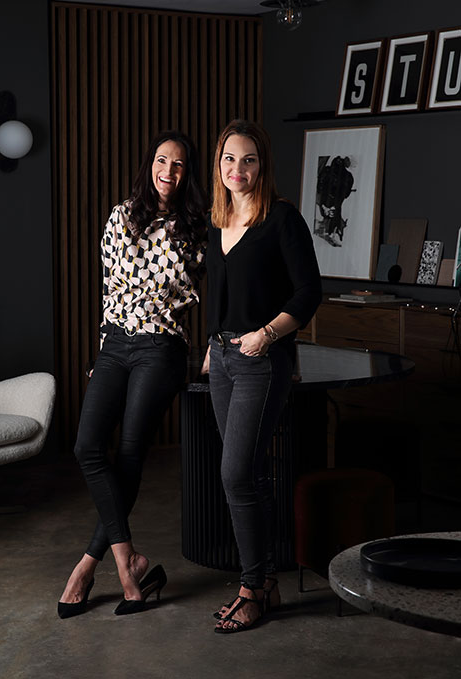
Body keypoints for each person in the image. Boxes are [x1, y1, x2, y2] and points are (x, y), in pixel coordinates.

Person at [58, 130, 207, 618]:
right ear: (150, 164)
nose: (168, 171)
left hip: (162, 344)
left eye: (179, 164)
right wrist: (104, 347)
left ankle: (88, 567)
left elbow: (222, 287)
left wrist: (216, 342)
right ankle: (128, 562)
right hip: (117, 343)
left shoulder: (197, 226)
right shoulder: (121, 215)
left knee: (129, 453)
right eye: (162, 161)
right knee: (86, 447)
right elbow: (109, 289)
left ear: (188, 173)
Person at [202, 120, 321, 634]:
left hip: (261, 360)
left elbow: (309, 292)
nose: (238, 168)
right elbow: (220, 291)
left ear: (262, 165)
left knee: (235, 475)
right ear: (219, 165)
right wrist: (213, 344)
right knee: (247, 475)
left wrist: (267, 335)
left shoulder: (282, 219)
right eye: (229, 158)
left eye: (248, 159)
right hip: (223, 360)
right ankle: (265, 581)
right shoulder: (217, 220)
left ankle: (251, 589)